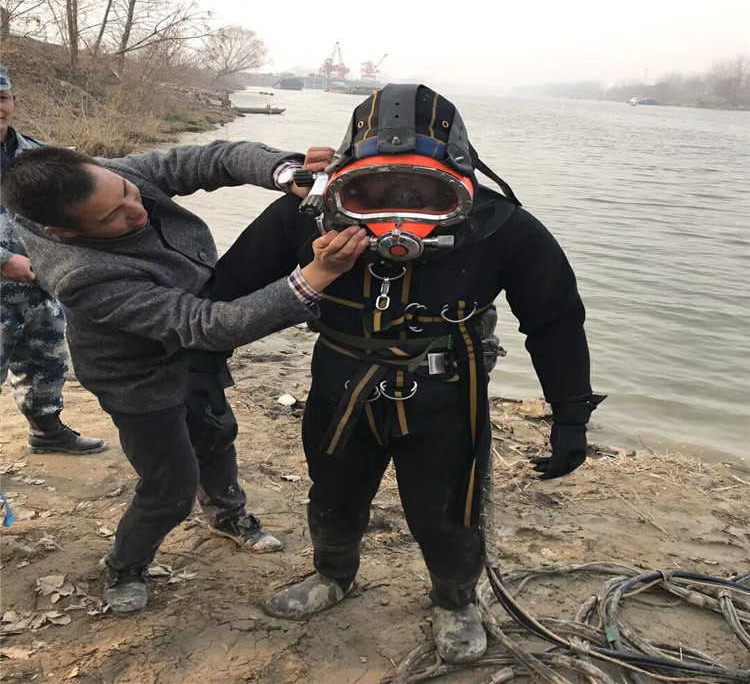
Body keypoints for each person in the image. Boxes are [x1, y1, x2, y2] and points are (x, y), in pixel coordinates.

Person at [207, 84, 605, 663]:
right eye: (371, 190)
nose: (396, 213)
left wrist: (570, 415)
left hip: (449, 386)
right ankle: (333, 575)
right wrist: (201, 370)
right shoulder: (302, 215)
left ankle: (454, 599)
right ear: (341, 176)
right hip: (341, 375)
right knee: (335, 487)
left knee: (447, 504)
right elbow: (226, 291)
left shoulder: (502, 225)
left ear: (460, 179)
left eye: (423, 192)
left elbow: (556, 321)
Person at [0, 140, 369, 615]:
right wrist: (319, 273)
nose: (138, 211)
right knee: (170, 488)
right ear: (63, 231)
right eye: (114, 216)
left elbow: (211, 159)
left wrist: (285, 172)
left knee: (215, 433)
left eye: (132, 194)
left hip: (192, 338)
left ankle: (227, 515)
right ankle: (125, 565)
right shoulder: (83, 275)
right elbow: (208, 326)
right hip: (140, 376)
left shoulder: (108, 179)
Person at [0, 65, 107, 455]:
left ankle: (47, 431)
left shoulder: (39, 156)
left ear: (12, 101)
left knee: (46, 361)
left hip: (38, 288)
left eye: (2, 97)